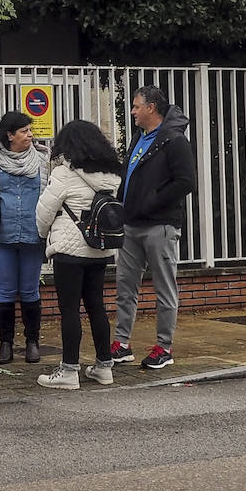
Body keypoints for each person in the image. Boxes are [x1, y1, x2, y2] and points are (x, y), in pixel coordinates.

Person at [111, 86, 196, 370]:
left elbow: (185, 182)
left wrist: (153, 201)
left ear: (151, 108)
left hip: (160, 226)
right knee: (125, 286)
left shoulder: (174, 141)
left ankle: (164, 347)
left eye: (136, 106)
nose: (132, 112)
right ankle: (121, 344)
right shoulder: (140, 138)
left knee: (164, 289)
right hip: (131, 225)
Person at [35, 120, 124, 390]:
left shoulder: (64, 174)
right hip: (99, 249)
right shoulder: (112, 176)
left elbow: (43, 212)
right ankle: (104, 366)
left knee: (70, 309)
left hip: (69, 251)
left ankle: (69, 370)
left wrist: (43, 235)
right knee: (96, 305)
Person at [0, 112, 50, 365]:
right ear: (10, 135)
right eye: (24, 131)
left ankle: (32, 342)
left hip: (33, 233)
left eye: (30, 130)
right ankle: (5, 343)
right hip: (2, 235)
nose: (30, 135)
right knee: (5, 291)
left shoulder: (43, 159)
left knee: (30, 291)